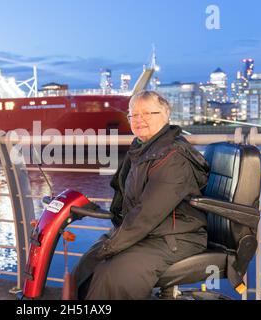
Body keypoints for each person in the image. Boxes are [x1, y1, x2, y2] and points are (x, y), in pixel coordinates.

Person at [72, 90, 210, 300]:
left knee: (115, 274)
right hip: (152, 233)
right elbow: (121, 193)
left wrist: (112, 245)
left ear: (165, 115)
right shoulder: (141, 148)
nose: (139, 120)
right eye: (133, 115)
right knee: (89, 262)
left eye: (147, 113)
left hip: (176, 237)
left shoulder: (173, 157)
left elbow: (147, 214)